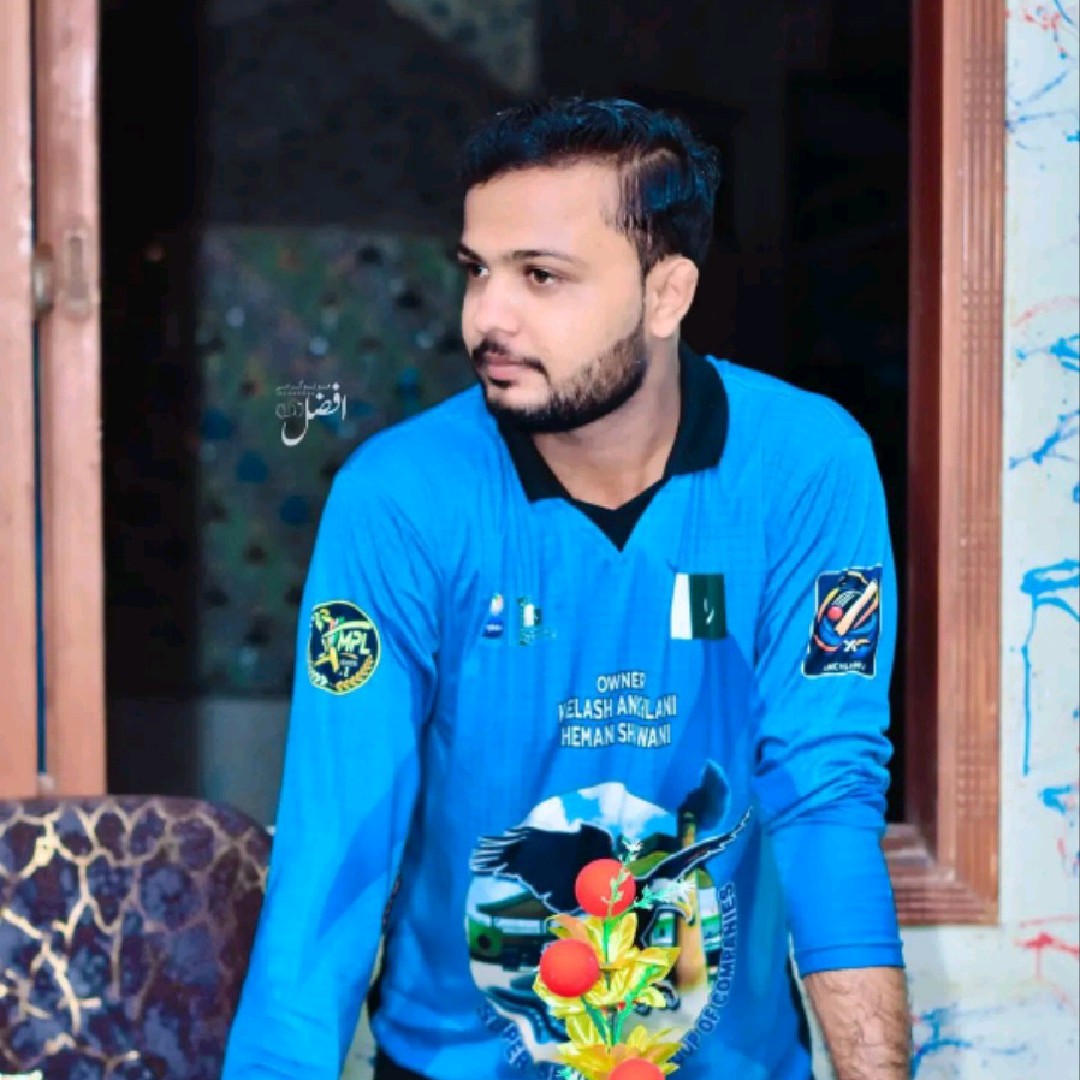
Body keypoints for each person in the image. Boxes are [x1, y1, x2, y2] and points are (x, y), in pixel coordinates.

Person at [222, 96, 911, 1080]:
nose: (487, 317)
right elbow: (338, 845)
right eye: (477, 269)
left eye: (541, 275)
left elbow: (825, 792)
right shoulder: (402, 496)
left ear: (666, 293)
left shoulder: (805, 466)